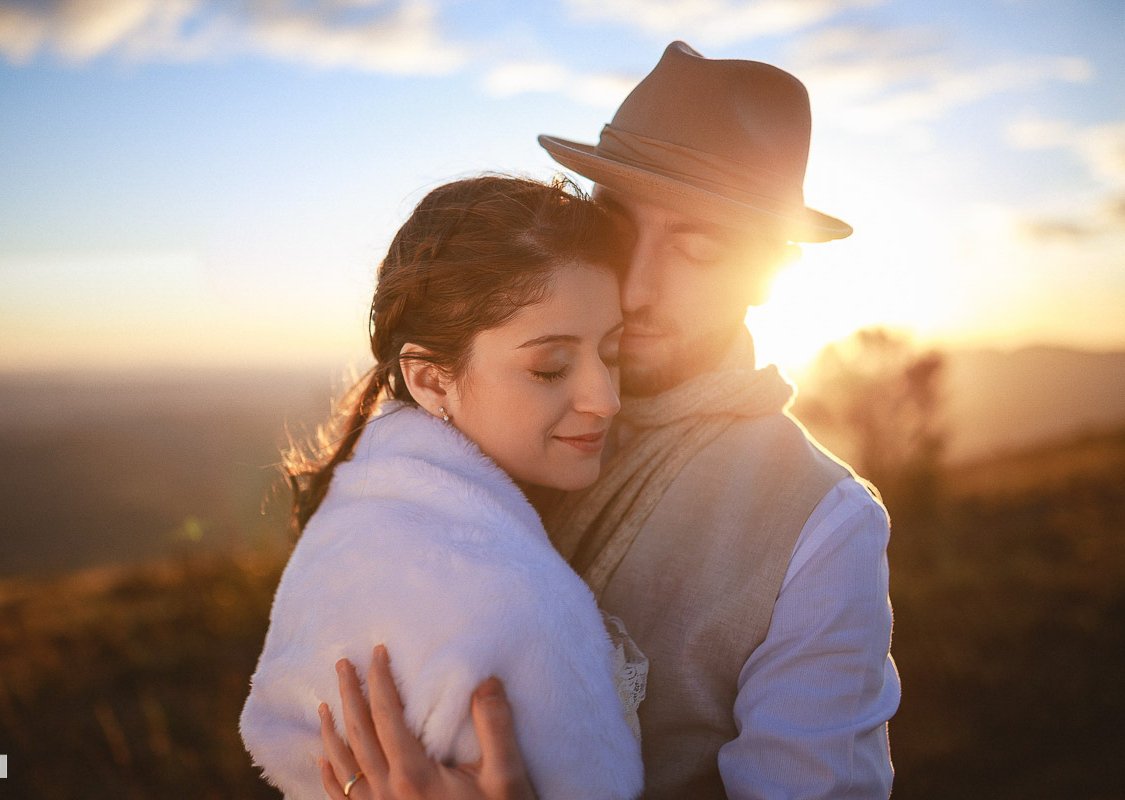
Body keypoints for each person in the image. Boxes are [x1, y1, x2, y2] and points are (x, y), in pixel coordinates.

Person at [319, 41, 899, 799]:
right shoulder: (480, 416)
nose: (634, 286)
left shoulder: (823, 525)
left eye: (696, 248)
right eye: (617, 228)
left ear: (771, 273)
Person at [240, 176, 645, 800]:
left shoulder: (368, 512)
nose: (606, 399)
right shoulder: (495, 600)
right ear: (430, 380)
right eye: (550, 368)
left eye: (612, 351)